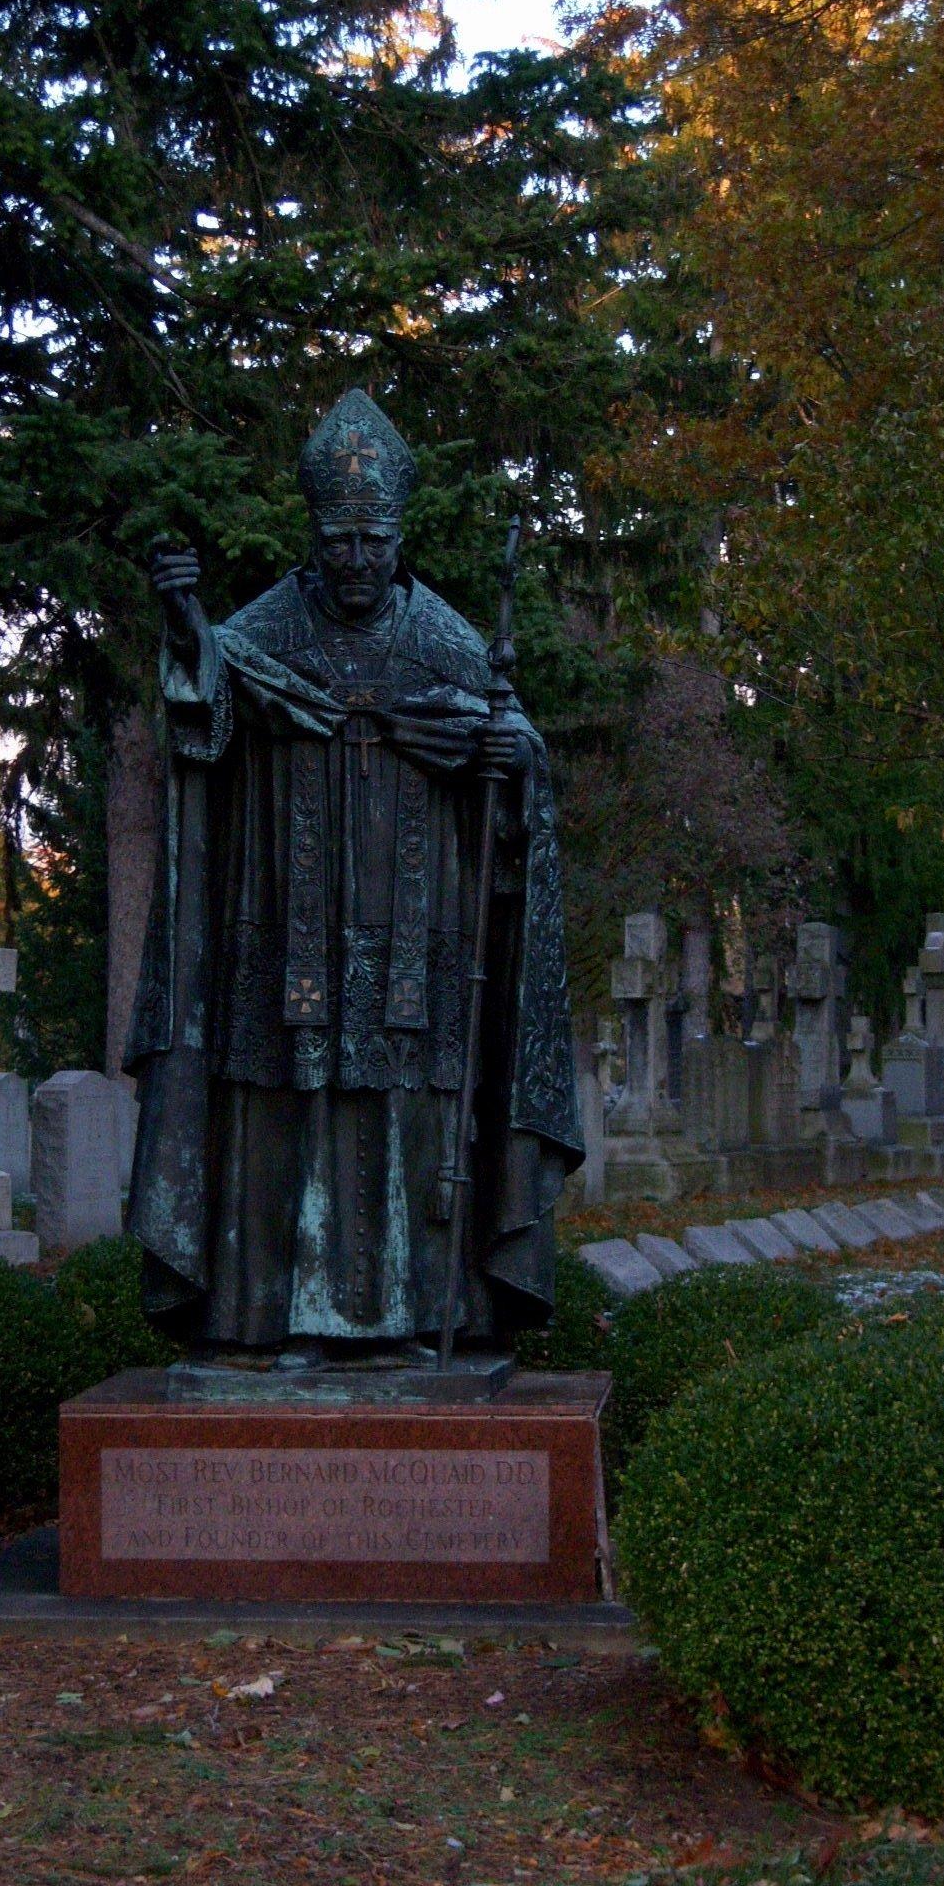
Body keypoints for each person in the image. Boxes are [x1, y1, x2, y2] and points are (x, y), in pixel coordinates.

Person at [124, 389, 581, 1362]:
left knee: (409, 1117)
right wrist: (180, 623)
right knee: (285, 1110)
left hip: (423, 938)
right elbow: (206, 712)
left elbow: (520, 762)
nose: (357, 559)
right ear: (318, 535)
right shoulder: (268, 628)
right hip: (285, 924)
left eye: (374, 541)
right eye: (340, 540)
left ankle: (422, 1316)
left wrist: (503, 752)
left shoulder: (443, 638)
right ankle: (271, 1315)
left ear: (398, 535)